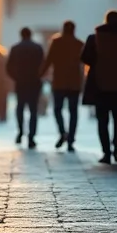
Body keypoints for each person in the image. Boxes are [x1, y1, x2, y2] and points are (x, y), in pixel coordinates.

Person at [81, 11, 117, 164]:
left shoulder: (94, 38)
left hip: (99, 84)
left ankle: (106, 152)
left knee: (102, 120)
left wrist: (97, 65)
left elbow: (85, 57)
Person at [41, 21, 84, 151]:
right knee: (73, 111)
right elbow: (85, 62)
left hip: (59, 82)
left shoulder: (56, 43)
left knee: (57, 110)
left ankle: (62, 133)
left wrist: (40, 74)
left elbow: (48, 60)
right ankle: (71, 139)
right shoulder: (79, 44)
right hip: (74, 82)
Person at [6, 28, 45, 148]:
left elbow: (8, 67)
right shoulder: (38, 48)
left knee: (20, 107)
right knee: (33, 110)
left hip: (21, 82)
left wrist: (16, 77)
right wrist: (39, 76)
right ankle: (31, 137)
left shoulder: (15, 48)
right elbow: (43, 64)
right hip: (34, 82)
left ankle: (20, 132)